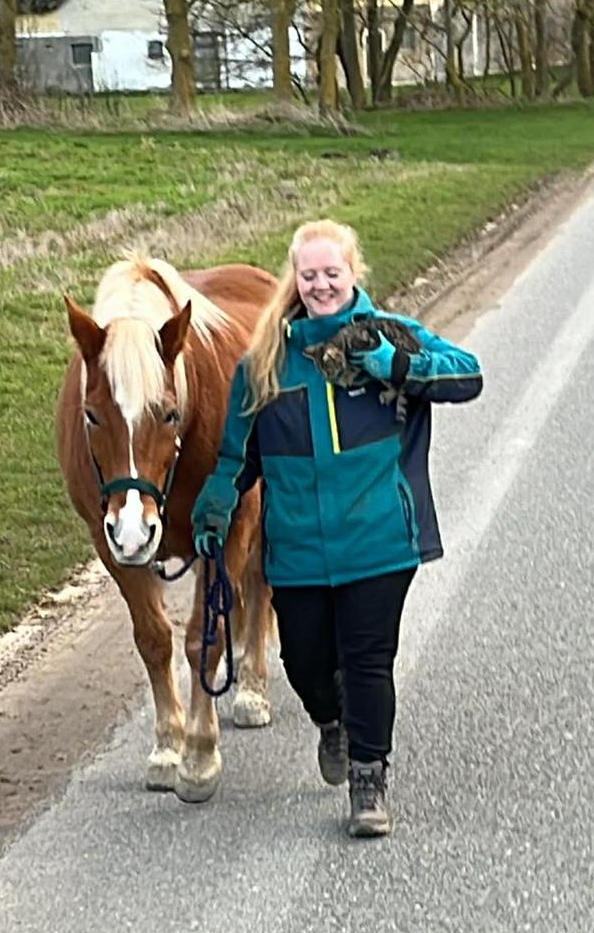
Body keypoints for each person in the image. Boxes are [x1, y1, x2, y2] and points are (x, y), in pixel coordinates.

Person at [191, 219, 483, 837]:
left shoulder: (389, 337)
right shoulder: (266, 361)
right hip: (297, 548)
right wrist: (216, 502)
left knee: (368, 658)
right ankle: (332, 722)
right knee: (304, 660)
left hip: (379, 540)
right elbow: (238, 457)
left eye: (333, 273)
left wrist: (387, 363)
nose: (322, 285)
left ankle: (369, 781)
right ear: (295, 281)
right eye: (310, 275)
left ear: (354, 274)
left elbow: (466, 375)